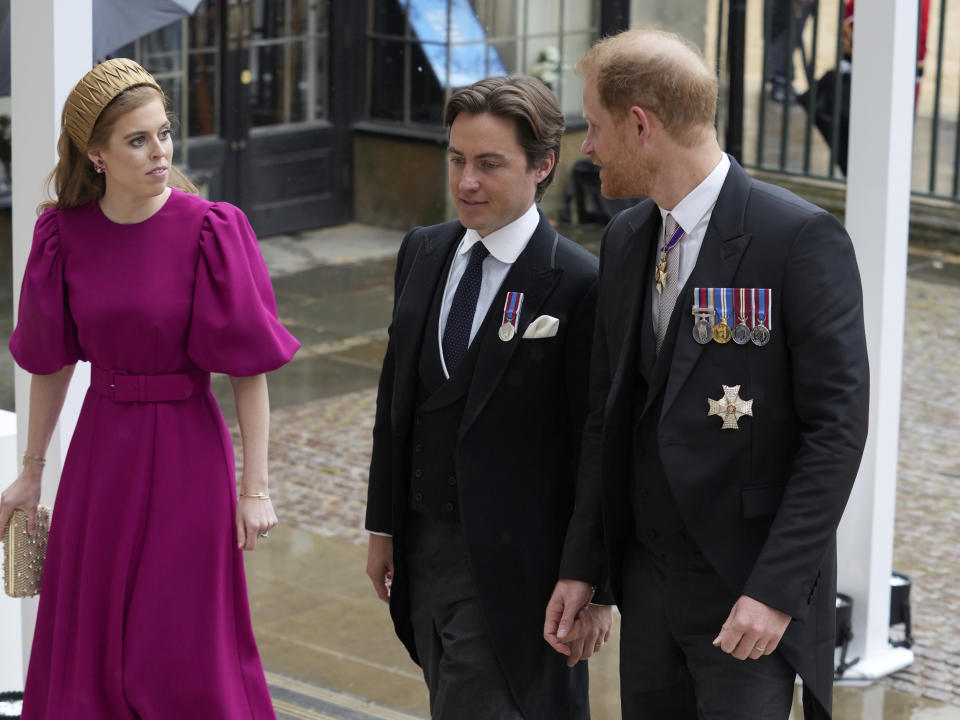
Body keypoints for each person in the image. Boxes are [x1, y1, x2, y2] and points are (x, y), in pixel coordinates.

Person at [545, 30, 869, 719]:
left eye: (597, 127)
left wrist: (775, 592)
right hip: (649, 585)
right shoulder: (629, 237)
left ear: (642, 124)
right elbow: (609, 416)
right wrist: (587, 567)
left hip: (745, 596)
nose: (589, 146)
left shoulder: (799, 240)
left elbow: (836, 431)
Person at [0, 58, 299, 718]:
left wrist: (255, 489)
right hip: (102, 454)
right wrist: (30, 472)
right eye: (138, 140)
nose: (160, 151)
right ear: (97, 154)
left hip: (189, 451)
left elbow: (248, 371)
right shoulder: (61, 236)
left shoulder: (212, 231)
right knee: (95, 633)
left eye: (163, 133)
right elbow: (48, 364)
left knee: (181, 638)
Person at [364, 75, 610, 720]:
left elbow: (600, 444)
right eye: (457, 160)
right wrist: (383, 524)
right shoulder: (422, 251)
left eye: (489, 164)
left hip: (517, 570)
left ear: (543, 166)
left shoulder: (581, 284)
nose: (466, 181)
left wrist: (595, 583)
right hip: (423, 554)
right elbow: (398, 401)